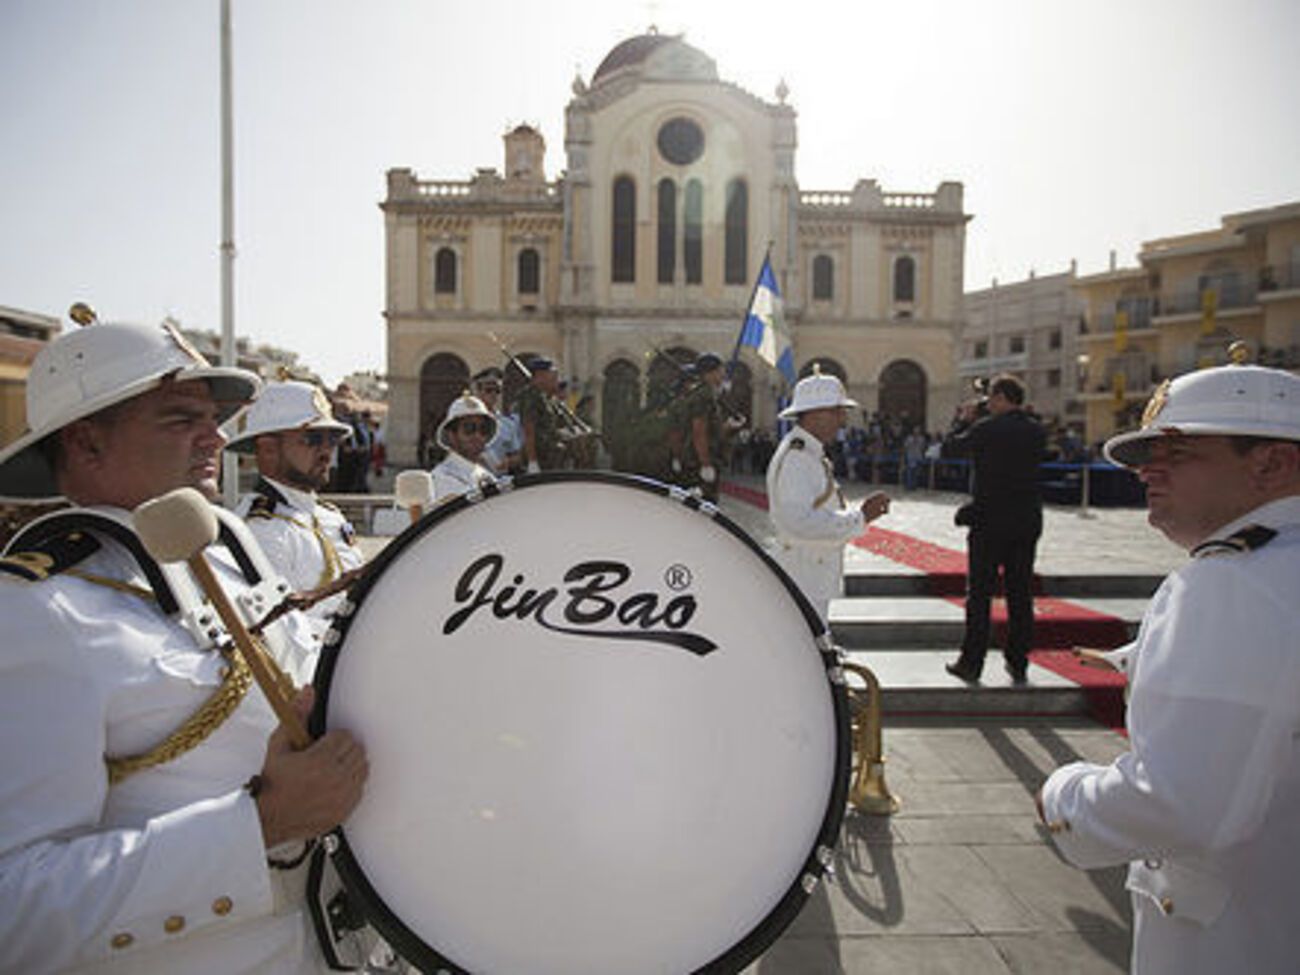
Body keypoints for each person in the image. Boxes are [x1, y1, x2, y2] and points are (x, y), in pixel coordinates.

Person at [0, 317, 367, 973]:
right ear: (86, 442)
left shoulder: (230, 553)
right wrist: (262, 823)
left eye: (213, 417)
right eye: (180, 418)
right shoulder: (38, 611)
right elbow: (15, 909)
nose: (217, 436)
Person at [1037, 362, 1300, 974]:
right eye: (1147, 455)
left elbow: (1179, 805)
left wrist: (1064, 796)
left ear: (1272, 463)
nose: (1147, 471)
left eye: (1177, 452)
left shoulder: (1233, 584)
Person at [225, 380, 365, 641]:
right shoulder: (257, 529)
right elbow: (280, 631)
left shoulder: (330, 515)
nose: (327, 451)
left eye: (332, 439)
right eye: (313, 439)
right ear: (268, 449)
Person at [942, 373, 1046, 683]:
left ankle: (972, 662)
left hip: (988, 521)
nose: (987, 404)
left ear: (1000, 398)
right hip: (1026, 520)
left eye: (991, 399)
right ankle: (1018, 661)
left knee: (980, 595)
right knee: (1020, 594)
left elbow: (949, 449)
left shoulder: (986, 429)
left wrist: (964, 419)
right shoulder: (1036, 431)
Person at [766, 371, 890, 622]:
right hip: (802, 575)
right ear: (815, 413)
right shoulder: (797, 458)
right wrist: (860, 517)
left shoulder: (809, 452)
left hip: (810, 572)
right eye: (837, 411)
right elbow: (797, 521)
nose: (842, 420)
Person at [430, 392, 499, 503]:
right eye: (469, 429)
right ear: (452, 436)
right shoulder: (441, 477)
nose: (477, 435)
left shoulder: (487, 476)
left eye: (483, 429)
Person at [516, 355, 566, 472]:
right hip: (540, 458)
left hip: (550, 457)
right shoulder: (531, 396)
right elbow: (529, 429)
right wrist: (532, 461)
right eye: (551, 374)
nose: (555, 377)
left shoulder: (546, 397)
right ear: (540, 376)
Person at [471, 366, 522, 475]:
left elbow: (517, 455)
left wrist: (508, 462)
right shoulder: (465, 421)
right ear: (478, 392)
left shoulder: (508, 424)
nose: (494, 394)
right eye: (488, 390)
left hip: (499, 479)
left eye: (498, 390)